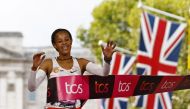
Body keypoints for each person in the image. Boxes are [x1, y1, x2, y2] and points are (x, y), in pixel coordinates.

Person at [28, 28, 116, 109]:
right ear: (55, 45)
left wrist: (107, 59)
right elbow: (32, 87)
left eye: (67, 40)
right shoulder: (48, 63)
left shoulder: (81, 62)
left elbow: (104, 73)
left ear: (71, 41)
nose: (64, 43)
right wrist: (34, 68)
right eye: (59, 41)